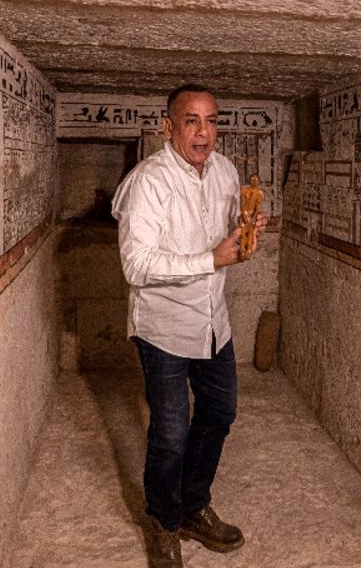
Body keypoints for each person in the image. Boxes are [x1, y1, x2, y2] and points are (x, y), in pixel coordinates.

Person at [111, 85, 267, 568]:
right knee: (172, 431)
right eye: (192, 121)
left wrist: (247, 231)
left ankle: (194, 505)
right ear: (169, 127)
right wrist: (210, 258)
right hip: (164, 327)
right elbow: (136, 266)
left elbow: (227, 238)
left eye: (212, 121)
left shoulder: (225, 171)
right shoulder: (148, 182)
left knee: (219, 413)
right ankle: (163, 519)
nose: (204, 132)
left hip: (212, 321)